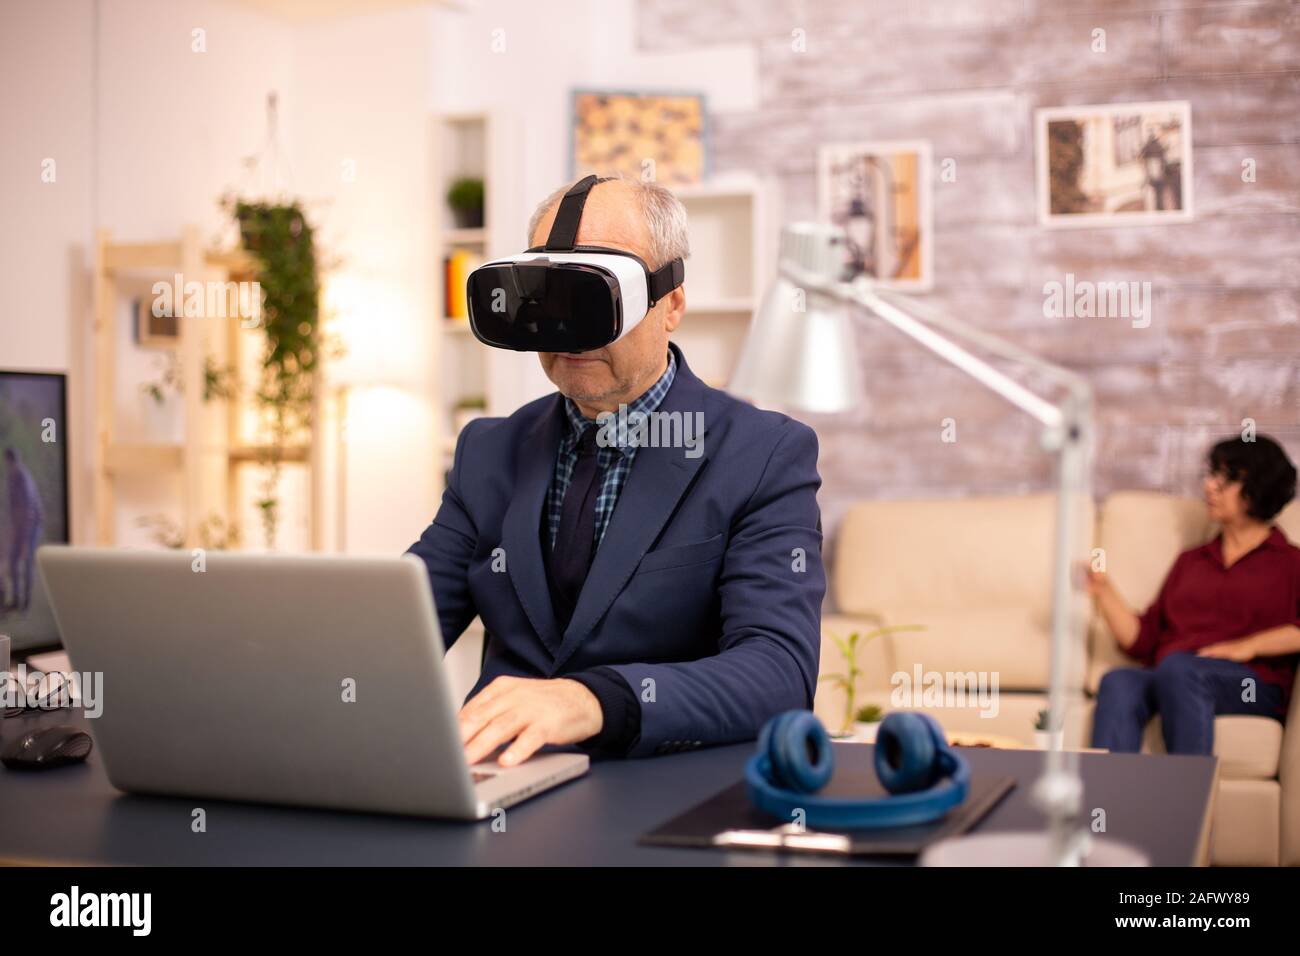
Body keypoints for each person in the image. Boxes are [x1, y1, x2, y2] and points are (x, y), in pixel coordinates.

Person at [407, 176, 824, 764]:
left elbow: (778, 674)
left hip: (663, 798)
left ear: (672, 303)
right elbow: (400, 627)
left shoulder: (762, 455)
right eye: (551, 298)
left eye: (597, 297)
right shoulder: (489, 451)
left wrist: (591, 701)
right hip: (500, 786)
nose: (571, 332)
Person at [1089, 434, 1300, 754]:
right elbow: (1144, 641)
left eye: (1225, 479)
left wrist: (1247, 647)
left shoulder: (1290, 562)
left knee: (1180, 669)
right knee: (1119, 681)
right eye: (1211, 475)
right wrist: (1102, 591)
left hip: (1251, 685)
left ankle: (1187, 799)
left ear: (1260, 487)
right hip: (1176, 674)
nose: (1210, 487)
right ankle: (1104, 803)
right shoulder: (1192, 561)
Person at [4, 446, 45, 613]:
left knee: (27, 561)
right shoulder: (11, 477)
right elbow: (13, 507)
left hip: (32, 525)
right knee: (13, 562)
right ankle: (16, 600)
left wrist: (25, 543)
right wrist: (13, 531)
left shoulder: (23, 476)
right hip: (20, 525)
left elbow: (28, 510)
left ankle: (26, 604)